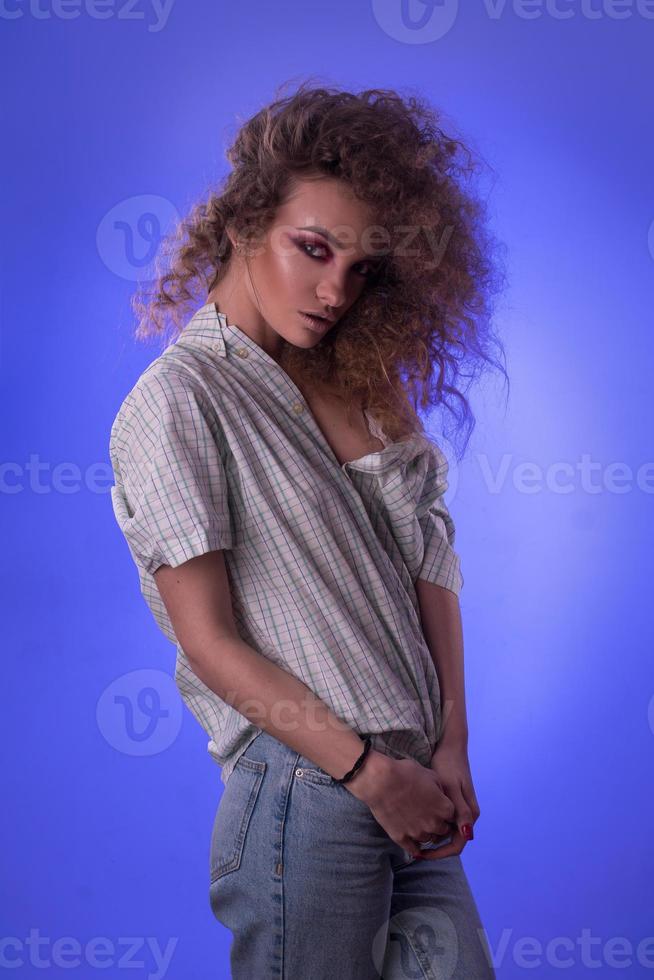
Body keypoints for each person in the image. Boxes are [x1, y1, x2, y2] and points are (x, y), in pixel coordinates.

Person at [109, 80, 507, 979]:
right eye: (313, 249)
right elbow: (209, 641)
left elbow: (429, 562)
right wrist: (367, 771)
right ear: (245, 224)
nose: (335, 290)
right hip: (309, 789)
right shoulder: (179, 400)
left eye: (361, 266)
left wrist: (450, 744)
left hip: (412, 780)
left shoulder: (360, 384)